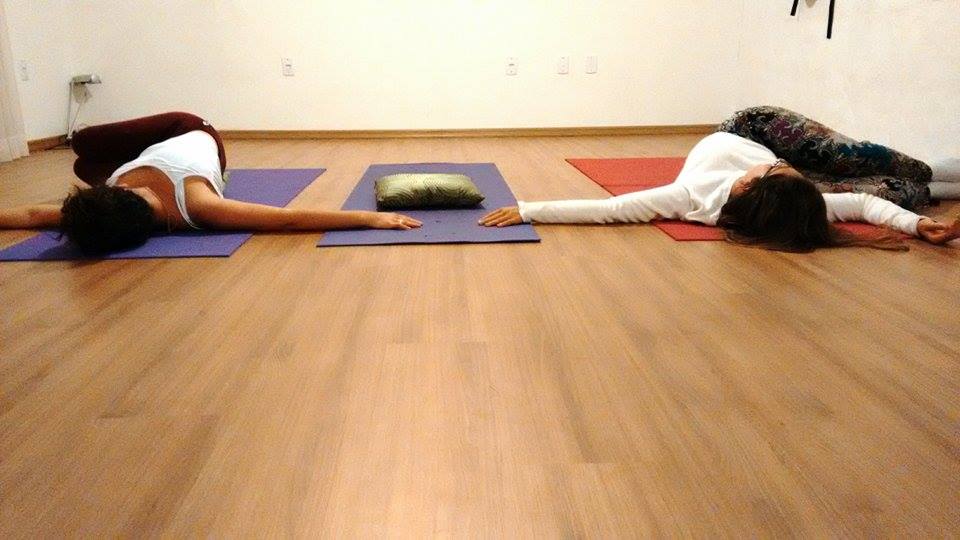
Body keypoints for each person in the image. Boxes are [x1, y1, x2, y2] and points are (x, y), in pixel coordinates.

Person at [480, 106, 960, 251]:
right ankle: (930, 180)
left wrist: (528, 209)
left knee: (851, 166)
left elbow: (609, 211)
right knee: (886, 180)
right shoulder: (782, 192)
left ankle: (930, 172)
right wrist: (917, 223)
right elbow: (864, 205)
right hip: (760, 135)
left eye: (776, 168)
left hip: (754, 133)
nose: (780, 165)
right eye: (779, 167)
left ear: (751, 184)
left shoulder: (689, 196)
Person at [0, 112, 421, 254]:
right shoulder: (196, 206)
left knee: (83, 149)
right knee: (84, 157)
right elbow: (287, 219)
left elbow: (35, 214)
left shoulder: (106, 212)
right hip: (203, 143)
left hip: (182, 125)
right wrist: (367, 217)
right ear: (126, 192)